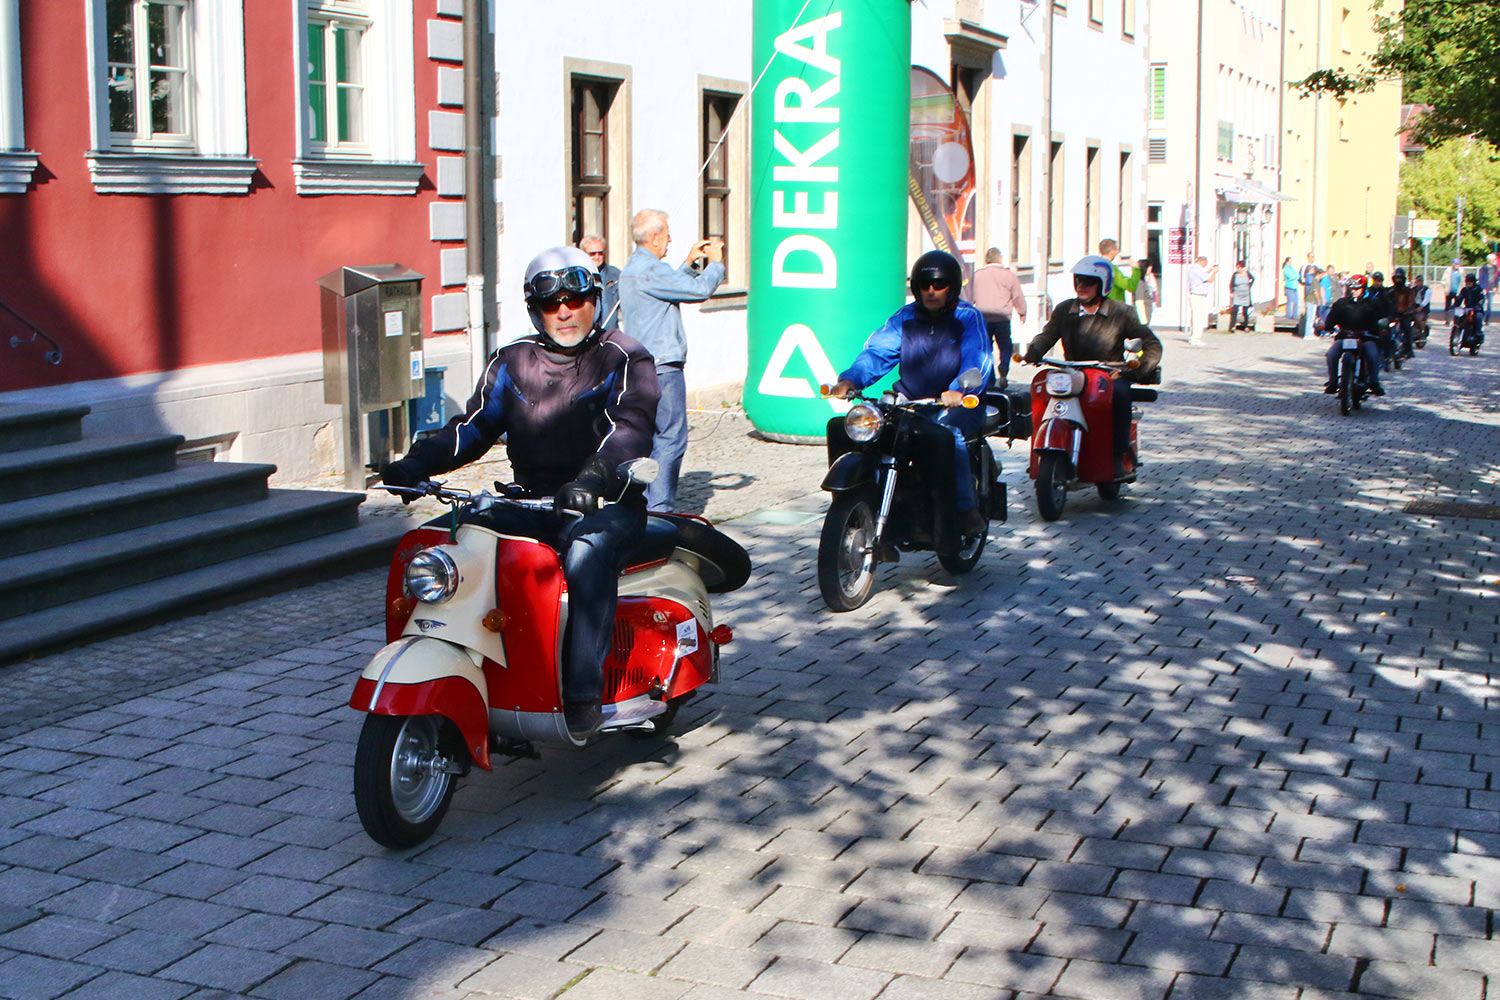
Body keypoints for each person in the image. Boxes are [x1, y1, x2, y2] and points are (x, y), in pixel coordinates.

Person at [381, 247, 660, 741]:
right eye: (552, 304)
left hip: (607, 503)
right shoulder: (512, 361)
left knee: (586, 552)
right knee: (447, 540)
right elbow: (472, 427)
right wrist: (416, 461)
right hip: (528, 501)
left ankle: (581, 694)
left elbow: (630, 429)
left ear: (595, 299)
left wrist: (592, 480)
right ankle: (469, 665)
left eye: (576, 299)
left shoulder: (624, 355)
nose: (565, 312)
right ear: (536, 309)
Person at [827, 251, 994, 554]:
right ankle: (864, 504)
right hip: (911, 401)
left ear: (952, 287)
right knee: (853, 428)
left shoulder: (968, 318)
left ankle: (965, 510)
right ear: (916, 287)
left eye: (940, 284)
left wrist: (958, 389)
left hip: (959, 403)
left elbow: (978, 359)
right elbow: (878, 353)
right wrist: (851, 380)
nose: (931, 291)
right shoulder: (904, 318)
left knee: (949, 436)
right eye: (925, 284)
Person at [618, 209, 725, 512]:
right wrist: (715, 262)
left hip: (642, 366)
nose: (670, 239)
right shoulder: (651, 270)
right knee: (671, 438)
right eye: (666, 233)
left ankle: (644, 503)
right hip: (663, 366)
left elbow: (671, 288)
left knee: (651, 438)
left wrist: (690, 264)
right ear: (653, 237)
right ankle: (660, 509)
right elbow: (700, 291)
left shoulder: (638, 268)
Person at [1022, 255, 1164, 479]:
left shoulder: (1121, 313)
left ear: (1102, 284)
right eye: (1079, 280)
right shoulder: (1064, 310)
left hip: (1108, 375)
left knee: (1120, 394)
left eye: (1088, 281)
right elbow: (1048, 334)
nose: (1082, 286)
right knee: (1042, 392)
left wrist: (1137, 369)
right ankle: (1046, 449)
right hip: (1073, 373)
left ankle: (1117, 454)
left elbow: (1152, 343)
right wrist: (1034, 351)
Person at [1322, 274, 1385, 396]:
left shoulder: (1372, 304)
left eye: (1358, 288)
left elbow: (1379, 320)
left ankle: (1373, 382)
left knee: (1373, 354)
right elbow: (1332, 317)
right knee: (1331, 354)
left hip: (1366, 337)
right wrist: (1328, 326)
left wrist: (1378, 328)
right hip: (1345, 336)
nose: (1354, 291)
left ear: (1364, 289)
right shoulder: (1341, 303)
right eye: (1352, 288)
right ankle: (1333, 381)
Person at [970, 247, 1027, 376]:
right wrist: (1022, 312)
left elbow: (970, 297)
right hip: (1002, 318)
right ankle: (1004, 366)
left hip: (983, 318)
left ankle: (989, 376)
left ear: (986, 260)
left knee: (985, 349)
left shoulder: (977, 275)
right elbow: (1017, 295)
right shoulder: (1009, 275)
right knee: (1005, 346)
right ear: (1000, 259)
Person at [577, 235, 621, 332]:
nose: (597, 257)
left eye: (600, 253)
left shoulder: (615, 275)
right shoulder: (576, 276)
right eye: (592, 254)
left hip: (610, 333)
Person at [1186, 255, 1217, 346]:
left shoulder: (1194, 269)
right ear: (1202, 261)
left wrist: (1210, 270)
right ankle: (1195, 338)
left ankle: (1194, 336)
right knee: (1198, 317)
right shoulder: (1198, 269)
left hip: (1196, 295)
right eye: (1205, 263)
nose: (1206, 265)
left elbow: (1203, 276)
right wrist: (1215, 272)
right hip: (1197, 296)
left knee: (1197, 316)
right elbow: (1210, 279)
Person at [1097, 238, 1140, 305]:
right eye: (1116, 249)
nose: (1117, 252)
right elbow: (1131, 286)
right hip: (1113, 308)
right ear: (1112, 251)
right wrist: (1136, 269)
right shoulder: (1111, 269)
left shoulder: (1095, 266)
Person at [1389, 268, 1417, 358]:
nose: (1398, 281)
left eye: (1400, 279)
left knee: (1407, 329)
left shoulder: (1408, 291)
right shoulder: (1390, 291)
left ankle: (1408, 349)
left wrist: (1409, 310)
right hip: (1392, 316)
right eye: (1396, 278)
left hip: (1404, 316)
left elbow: (1411, 303)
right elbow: (1385, 302)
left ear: (1403, 279)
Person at [1228, 261, 1254, 330]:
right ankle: (1232, 326)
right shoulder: (1235, 275)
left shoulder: (1247, 273)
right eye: (1237, 267)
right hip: (1237, 294)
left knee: (1245, 311)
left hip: (1246, 295)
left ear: (1242, 268)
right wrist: (1231, 292)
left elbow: (1253, 279)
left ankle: (1246, 325)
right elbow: (1231, 284)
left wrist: (1249, 286)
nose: (1238, 269)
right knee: (1235, 310)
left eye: (1239, 267)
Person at [1479, 254, 1498, 324]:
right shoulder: (1483, 269)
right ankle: (1480, 319)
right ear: (1490, 260)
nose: (1495, 261)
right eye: (1494, 259)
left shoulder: (1496, 269)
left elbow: (1497, 279)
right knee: (1481, 305)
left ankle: (1487, 320)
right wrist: (1483, 288)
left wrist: (1496, 287)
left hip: (1491, 289)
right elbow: (1481, 279)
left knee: (1489, 306)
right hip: (1485, 289)